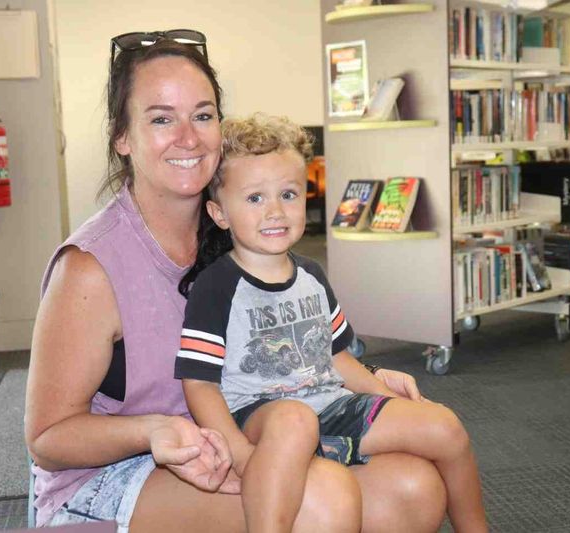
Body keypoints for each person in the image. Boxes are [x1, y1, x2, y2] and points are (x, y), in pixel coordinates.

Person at [24, 30, 449, 532]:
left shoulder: (240, 225)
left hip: (245, 434)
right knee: (322, 499)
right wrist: (154, 431)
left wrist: (370, 377)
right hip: (118, 472)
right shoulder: (91, 267)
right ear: (122, 136)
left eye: (202, 116)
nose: (187, 137)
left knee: (415, 487)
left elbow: (275, 344)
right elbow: (49, 438)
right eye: (161, 119)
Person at [175, 113, 488, 533]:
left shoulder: (311, 275)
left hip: (331, 406)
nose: (275, 211)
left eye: (288, 194)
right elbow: (199, 383)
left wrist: (385, 400)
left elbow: (338, 358)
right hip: (261, 420)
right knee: (293, 420)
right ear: (219, 212)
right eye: (254, 198)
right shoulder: (215, 287)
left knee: (444, 426)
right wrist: (235, 449)